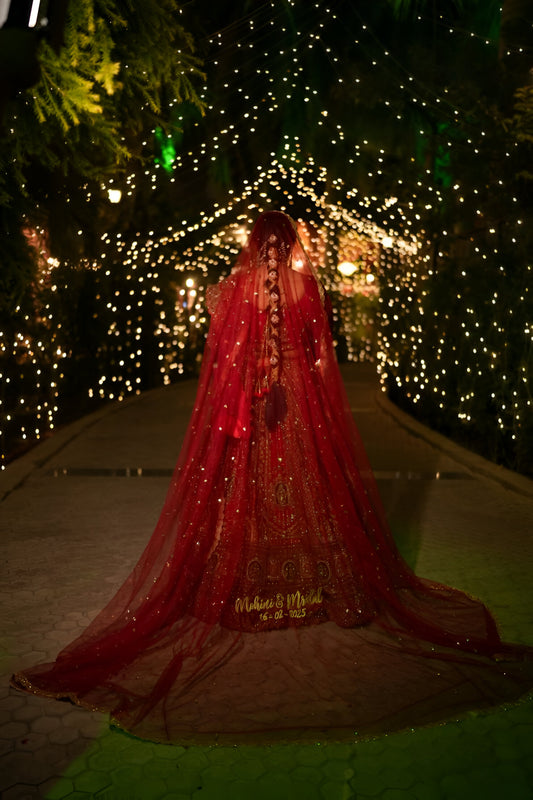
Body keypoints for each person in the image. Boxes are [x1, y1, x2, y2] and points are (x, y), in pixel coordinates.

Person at [11, 210, 533, 743]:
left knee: (250, 490)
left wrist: (251, 361)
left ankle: (247, 596)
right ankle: (322, 591)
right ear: (293, 245)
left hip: (256, 405)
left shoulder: (234, 290)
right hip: (301, 407)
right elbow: (321, 357)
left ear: (254, 244)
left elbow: (221, 354)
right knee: (314, 486)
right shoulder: (308, 289)